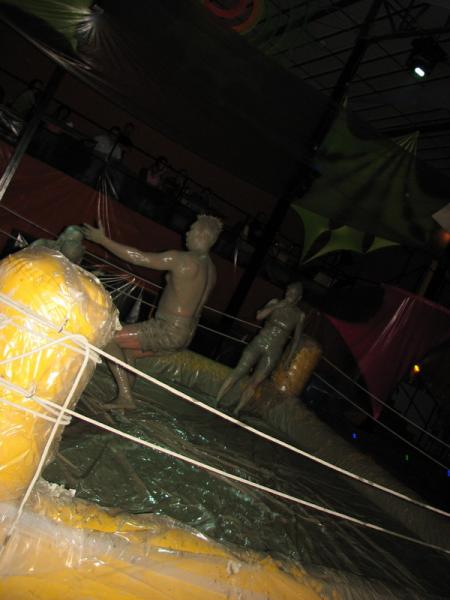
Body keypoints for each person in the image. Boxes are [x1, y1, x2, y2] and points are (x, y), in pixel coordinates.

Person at [82, 214, 222, 409]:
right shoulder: (211, 270)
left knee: (108, 338)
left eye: (191, 229)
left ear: (202, 235)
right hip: (186, 333)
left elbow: (139, 258)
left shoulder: (183, 260)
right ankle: (125, 398)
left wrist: (103, 240)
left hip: (169, 329)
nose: (187, 233)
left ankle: (125, 397)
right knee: (128, 350)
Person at [217, 282, 305, 415]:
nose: (289, 295)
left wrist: (289, 359)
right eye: (288, 291)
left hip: (274, 351)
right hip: (259, 342)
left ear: (299, 297)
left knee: (255, 382)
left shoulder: (299, 315)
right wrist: (277, 306)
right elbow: (259, 316)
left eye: (293, 293)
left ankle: (236, 411)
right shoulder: (275, 302)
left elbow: (296, 340)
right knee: (240, 370)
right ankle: (216, 399)